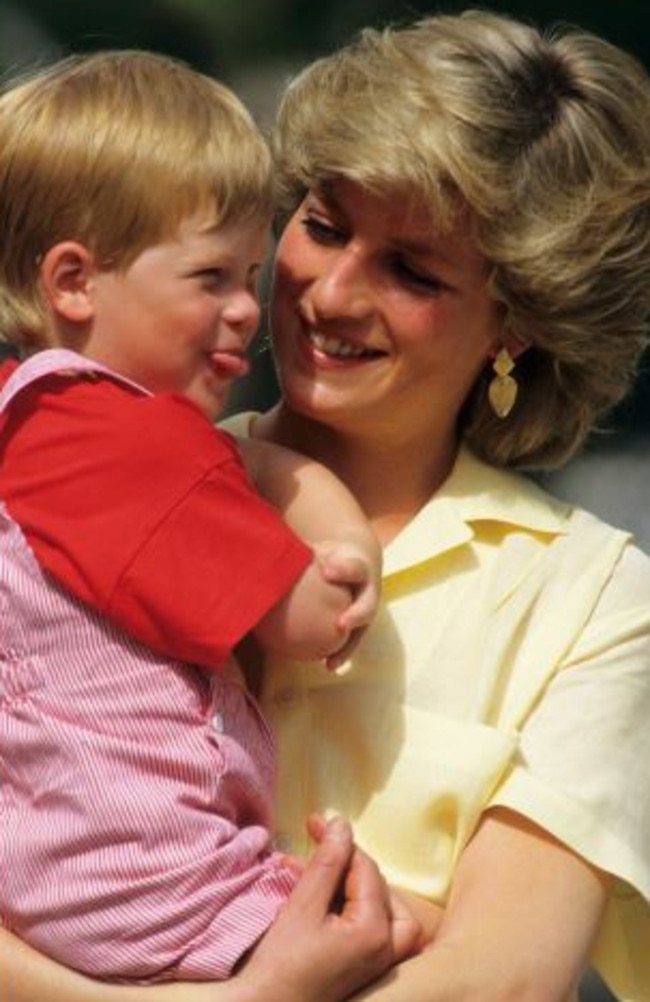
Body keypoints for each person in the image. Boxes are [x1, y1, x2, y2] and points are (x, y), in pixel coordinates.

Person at [3, 7, 650, 1001]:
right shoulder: (66, 476)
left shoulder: (595, 601)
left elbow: (499, 983)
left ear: (515, 324)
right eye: (323, 224)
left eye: (410, 269)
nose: (329, 292)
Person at [0, 49, 424, 995]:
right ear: (74, 281)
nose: (247, 311)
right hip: (162, 892)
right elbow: (311, 622)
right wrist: (345, 547)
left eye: (252, 273)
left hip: (42, 890)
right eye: (211, 277)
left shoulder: (27, 426)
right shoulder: (140, 448)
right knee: (397, 935)